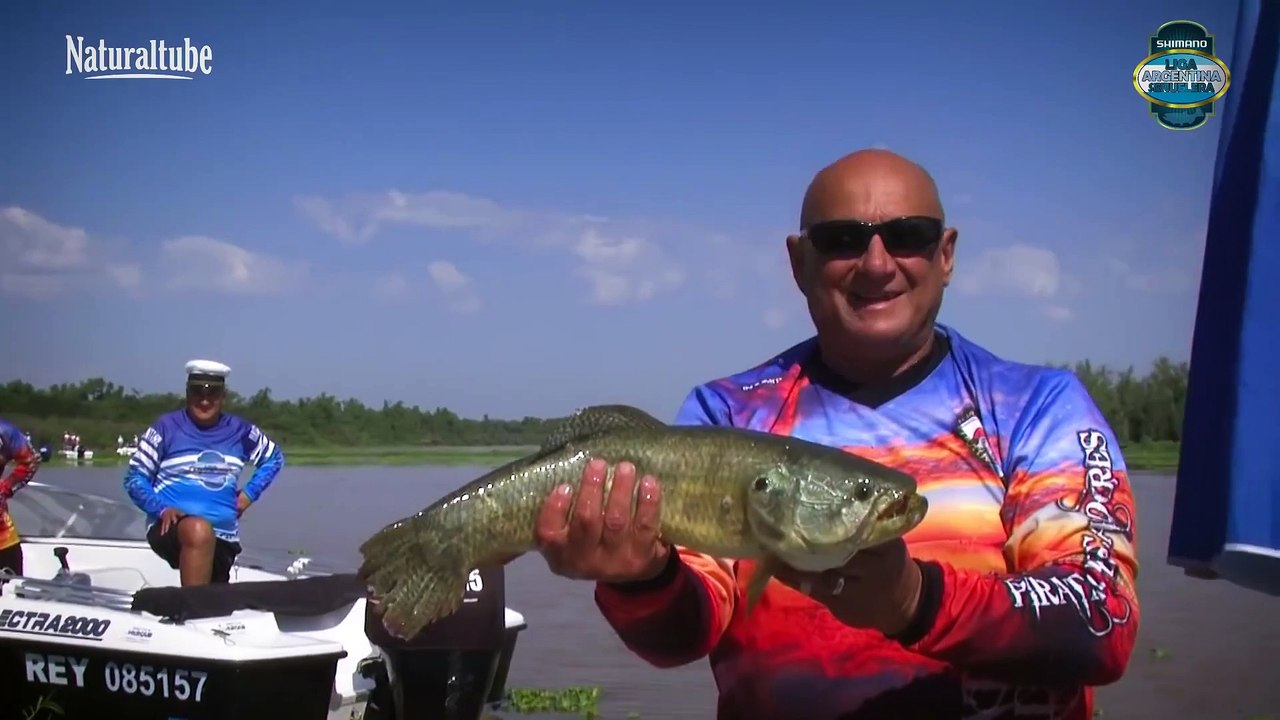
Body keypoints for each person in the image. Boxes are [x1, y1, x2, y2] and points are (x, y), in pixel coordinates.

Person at [532, 149, 1140, 719]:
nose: (877, 263)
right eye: (843, 240)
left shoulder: (1038, 408)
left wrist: (914, 602)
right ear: (800, 263)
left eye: (908, 236)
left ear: (946, 253)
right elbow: (682, 637)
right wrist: (642, 579)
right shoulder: (725, 415)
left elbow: (1102, 621)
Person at [123, 359, 286, 586]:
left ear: (224, 395)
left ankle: (203, 610)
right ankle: (191, 608)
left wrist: (247, 496)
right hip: (171, 526)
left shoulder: (241, 431)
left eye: (213, 393)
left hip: (223, 537)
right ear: (187, 393)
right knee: (198, 531)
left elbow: (273, 458)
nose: (205, 400)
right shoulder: (166, 427)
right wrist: (160, 509)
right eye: (198, 392)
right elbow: (134, 478)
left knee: (218, 606)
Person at [0, 417, 42, 577]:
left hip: (2, 536)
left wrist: (5, 488)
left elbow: (31, 460)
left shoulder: (5, 432)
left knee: (13, 590)